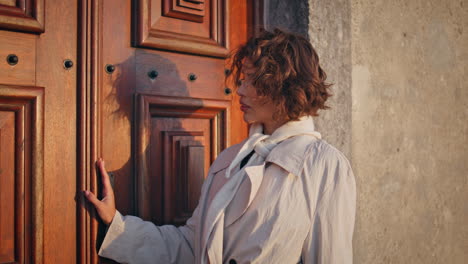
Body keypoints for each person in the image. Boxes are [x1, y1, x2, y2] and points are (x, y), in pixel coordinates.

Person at [84, 28, 356, 264]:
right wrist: (117, 226)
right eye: (242, 80)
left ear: (282, 84)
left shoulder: (325, 165)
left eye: (251, 80)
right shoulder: (230, 159)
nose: (240, 90)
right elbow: (193, 247)